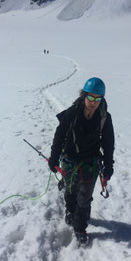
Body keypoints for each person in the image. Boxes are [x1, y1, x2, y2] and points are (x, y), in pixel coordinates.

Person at [48, 77, 115, 244]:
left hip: (90, 163)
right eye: (90, 97)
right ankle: (70, 211)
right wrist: (54, 157)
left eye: (97, 99)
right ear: (84, 95)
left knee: (85, 196)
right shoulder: (72, 113)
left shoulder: (104, 117)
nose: (93, 102)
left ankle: (80, 227)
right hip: (70, 160)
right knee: (71, 190)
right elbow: (59, 135)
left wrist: (108, 166)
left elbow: (108, 143)